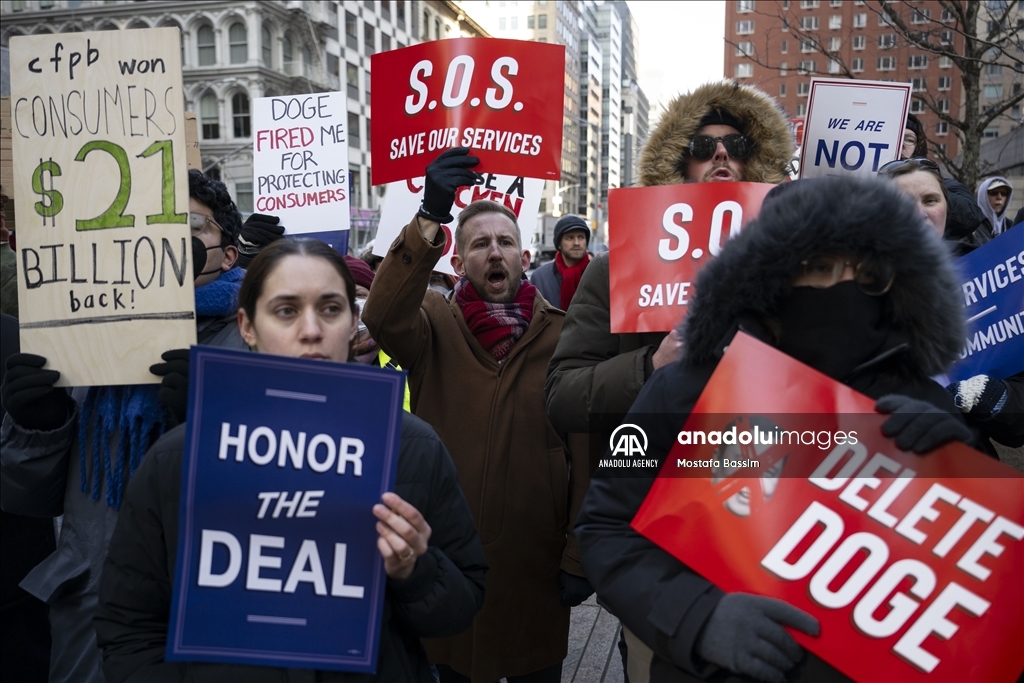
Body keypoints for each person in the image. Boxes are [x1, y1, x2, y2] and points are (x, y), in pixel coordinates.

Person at [576, 176, 977, 683]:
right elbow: (604, 527)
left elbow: (972, 595)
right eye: (820, 266)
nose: (843, 285)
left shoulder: (922, 402)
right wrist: (696, 618)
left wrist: (960, 478)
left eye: (864, 270)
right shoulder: (677, 391)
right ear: (772, 273)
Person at [92, 238, 487, 682]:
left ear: (354, 321)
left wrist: (415, 568)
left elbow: (462, 604)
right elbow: (129, 627)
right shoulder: (179, 457)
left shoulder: (412, 447)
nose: (311, 329)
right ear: (247, 326)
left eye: (331, 308)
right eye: (286, 310)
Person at [0, 170, 247, 683]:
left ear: (228, 254)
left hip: (211, 619)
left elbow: (285, 496)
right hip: (93, 623)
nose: (166, 239)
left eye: (191, 226)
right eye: (149, 223)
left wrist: (206, 421)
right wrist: (36, 427)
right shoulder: (78, 335)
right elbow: (26, 497)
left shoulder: (260, 338)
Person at [362, 148, 591, 683]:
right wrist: (431, 215)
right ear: (458, 261)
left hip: (535, 566)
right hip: (450, 564)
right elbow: (380, 314)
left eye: (505, 242)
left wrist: (580, 556)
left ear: (524, 254)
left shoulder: (563, 334)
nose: (495, 252)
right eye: (480, 243)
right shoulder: (431, 325)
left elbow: (586, 451)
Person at [545, 80, 794, 438]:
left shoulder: (792, 265)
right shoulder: (616, 268)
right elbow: (561, 397)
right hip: (647, 473)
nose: (721, 154)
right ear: (679, 162)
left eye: (737, 146)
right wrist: (651, 365)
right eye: (703, 146)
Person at [901, 115, 991, 251]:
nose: (901, 144)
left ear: (919, 146)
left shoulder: (944, 184)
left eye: (909, 139)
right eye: (895, 137)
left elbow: (971, 216)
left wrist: (931, 190)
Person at [530, 214, 593, 309]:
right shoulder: (539, 278)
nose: (576, 243)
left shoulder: (597, 273)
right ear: (559, 244)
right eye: (569, 238)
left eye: (581, 237)